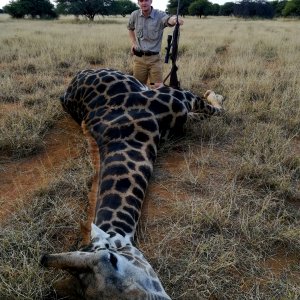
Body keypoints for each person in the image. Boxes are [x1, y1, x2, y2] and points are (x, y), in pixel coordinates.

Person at [127, 0, 183, 88]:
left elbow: (168, 20)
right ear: (138, 2)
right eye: (141, 1)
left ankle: (151, 86)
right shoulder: (135, 15)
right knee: (138, 86)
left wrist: (175, 20)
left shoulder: (159, 15)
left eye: (146, 0)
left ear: (151, 1)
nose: (144, 3)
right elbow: (130, 29)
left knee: (156, 86)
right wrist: (133, 43)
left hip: (154, 60)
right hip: (139, 60)